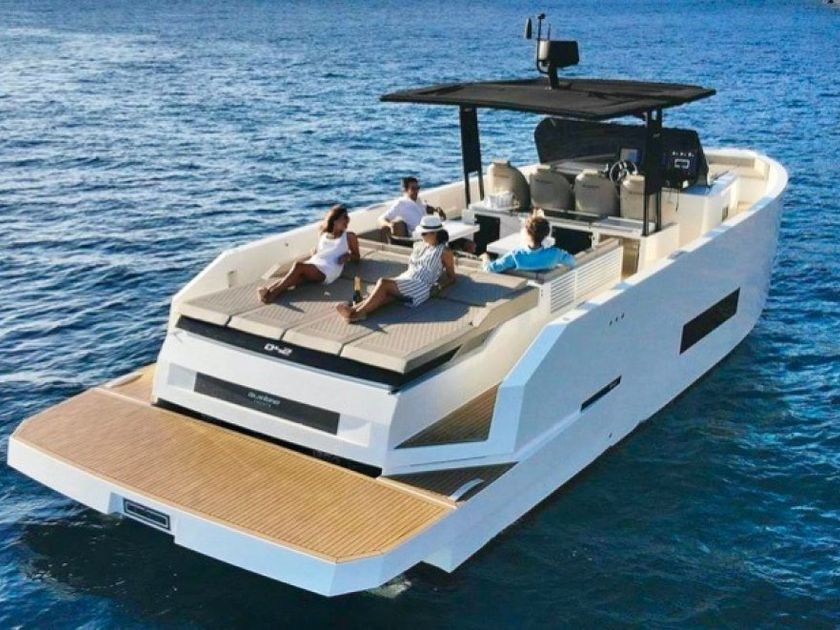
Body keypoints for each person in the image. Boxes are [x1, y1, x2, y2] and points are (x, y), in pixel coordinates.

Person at [337, 215, 456, 322]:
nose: (421, 235)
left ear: (434, 233)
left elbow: (451, 277)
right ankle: (354, 310)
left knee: (383, 283)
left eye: (424, 233)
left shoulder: (444, 252)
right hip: (407, 278)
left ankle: (359, 313)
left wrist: (438, 287)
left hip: (419, 285)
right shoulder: (421, 246)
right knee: (384, 295)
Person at [257, 204, 360, 303]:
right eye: (344, 217)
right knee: (293, 278)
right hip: (315, 262)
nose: (347, 220)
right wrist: (315, 251)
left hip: (329, 269)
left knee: (298, 266)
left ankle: (271, 295)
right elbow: (323, 250)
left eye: (347, 217)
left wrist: (348, 256)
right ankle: (268, 291)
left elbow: (357, 257)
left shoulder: (349, 236)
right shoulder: (323, 233)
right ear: (334, 220)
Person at [482, 215, 575, 273]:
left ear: (527, 233)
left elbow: (490, 269)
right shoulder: (555, 254)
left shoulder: (515, 255)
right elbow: (572, 261)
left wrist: (485, 258)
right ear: (546, 235)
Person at [378, 176, 445, 242]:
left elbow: (424, 207)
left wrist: (435, 209)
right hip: (418, 236)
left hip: (429, 231)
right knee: (444, 235)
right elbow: (381, 219)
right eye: (413, 189)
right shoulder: (401, 203)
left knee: (446, 229)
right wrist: (390, 225)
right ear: (405, 190)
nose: (416, 191)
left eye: (417, 188)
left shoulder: (417, 200)